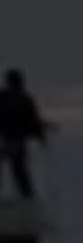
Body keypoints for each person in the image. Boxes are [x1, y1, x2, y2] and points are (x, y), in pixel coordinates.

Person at [0, 68, 50, 198]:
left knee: (18, 168)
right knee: (18, 168)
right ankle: (26, 195)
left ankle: (27, 196)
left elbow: (33, 121)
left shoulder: (25, 100)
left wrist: (41, 136)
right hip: (6, 138)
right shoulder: (3, 97)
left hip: (17, 140)